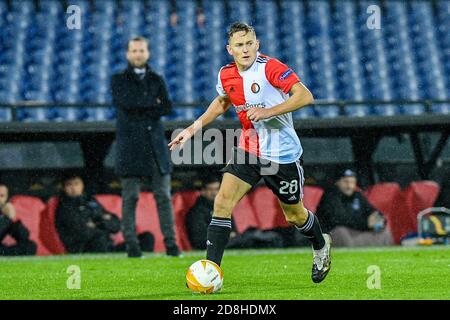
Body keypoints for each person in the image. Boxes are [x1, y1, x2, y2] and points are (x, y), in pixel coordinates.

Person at [169, 22, 331, 283]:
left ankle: (320, 244)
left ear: (257, 44)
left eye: (248, 44)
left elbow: (305, 96)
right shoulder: (225, 74)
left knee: (295, 215)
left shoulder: (270, 68)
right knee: (222, 202)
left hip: (282, 154)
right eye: (239, 45)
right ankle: (211, 272)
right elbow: (223, 101)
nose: (244, 50)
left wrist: (268, 112)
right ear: (229, 49)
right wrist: (192, 128)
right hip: (250, 147)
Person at [111, 36, 180, 258]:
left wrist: (143, 108)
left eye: (141, 50)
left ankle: (172, 245)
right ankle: (132, 247)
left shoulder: (157, 79)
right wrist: (153, 105)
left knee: (163, 195)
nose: (138, 54)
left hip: (156, 147)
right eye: (134, 50)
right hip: (130, 147)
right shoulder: (118, 79)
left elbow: (167, 106)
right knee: (130, 196)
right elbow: (126, 103)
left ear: (147, 53)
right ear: (127, 54)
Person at [55, 174, 154, 254]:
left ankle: (143, 269)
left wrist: (98, 223)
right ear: (64, 188)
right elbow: (83, 232)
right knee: (99, 238)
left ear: (82, 185)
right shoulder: (63, 207)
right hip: (84, 250)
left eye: (76, 184)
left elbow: (116, 225)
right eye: (69, 185)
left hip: (109, 247)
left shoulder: (90, 201)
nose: (73, 188)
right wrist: (103, 222)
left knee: (147, 238)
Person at [185, 176, 283, 250]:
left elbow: (233, 231)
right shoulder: (196, 212)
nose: (214, 193)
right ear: (203, 191)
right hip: (212, 244)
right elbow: (200, 239)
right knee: (250, 238)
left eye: (216, 189)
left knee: (254, 235)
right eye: (210, 189)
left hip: (228, 240)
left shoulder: (222, 207)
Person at [316, 169, 393, 247]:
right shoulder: (331, 196)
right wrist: (366, 223)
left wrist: (380, 221)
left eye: (352, 182)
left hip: (358, 232)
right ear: (337, 182)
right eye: (346, 182)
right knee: (341, 233)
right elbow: (340, 219)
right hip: (338, 234)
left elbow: (373, 212)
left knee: (385, 232)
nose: (349, 186)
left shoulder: (357, 196)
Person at [0, 184, 37, 256]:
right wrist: (8, 220)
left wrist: (13, 218)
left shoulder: (5, 213)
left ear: (6, 198)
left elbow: (24, 236)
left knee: (31, 246)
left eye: (2, 196)